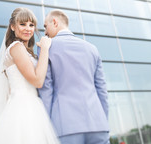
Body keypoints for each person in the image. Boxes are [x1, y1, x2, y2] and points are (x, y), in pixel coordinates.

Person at [0, 7, 60, 144]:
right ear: (13, 27)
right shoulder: (16, 47)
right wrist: (45, 48)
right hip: (23, 108)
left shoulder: (27, 52)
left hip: (31, 106)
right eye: (22, 24)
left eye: (31, 25)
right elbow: (37, 81)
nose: (28, 28)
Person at [39, 9, 109, 144]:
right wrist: (102, 121)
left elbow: (46, 90)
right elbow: (102, 90)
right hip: (98, 125)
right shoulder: (92, 48)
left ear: (54, 22)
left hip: (65, 127)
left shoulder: (46, 48)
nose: (45, 32)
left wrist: (47, 127)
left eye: (45, 26)